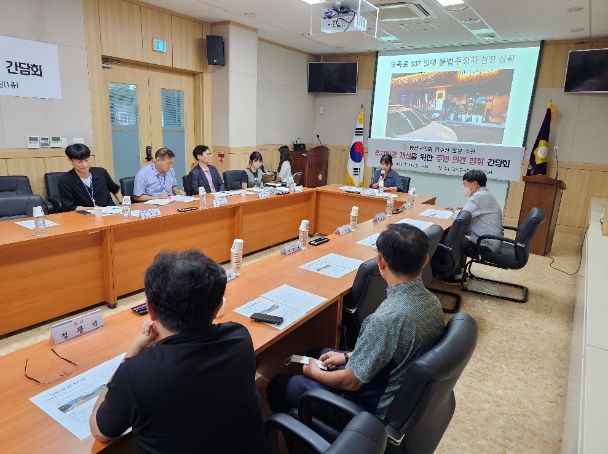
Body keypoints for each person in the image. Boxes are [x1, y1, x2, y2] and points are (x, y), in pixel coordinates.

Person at [89, 249, 266, 454]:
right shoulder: (239, 337)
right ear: (219, 306)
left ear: (150, 310)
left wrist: (133, 351)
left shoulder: (137, 373)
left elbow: (100, 432)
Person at [267, 224, 445, 419]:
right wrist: (346, 357)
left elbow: (350, 382)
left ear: (381, 261)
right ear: (425, 260)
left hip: (371, 408)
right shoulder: (433, 302)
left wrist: (314, 373)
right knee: (316, 353)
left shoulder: (384, 320)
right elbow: (389, 347)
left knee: (279, 385)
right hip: (397, 385)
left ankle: (302, 432)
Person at [442, 169, 504, 284]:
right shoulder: (484, 195)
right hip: (490, 238)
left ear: (475, 184)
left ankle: (453, 274)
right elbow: (467, 212)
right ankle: (458, 271)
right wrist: (461, 211)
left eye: (465, 184)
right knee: (457, 234)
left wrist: (455, 212)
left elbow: (461, 217)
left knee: (452, 239)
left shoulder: (479, 197)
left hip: (486, 242)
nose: (463, 187)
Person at [58, 143, 122, 211]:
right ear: (70, 160)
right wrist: (94, 209)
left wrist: (122, 203)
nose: (85, 165)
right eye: (80, 162)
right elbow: (70, 207)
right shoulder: (65, 180)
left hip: (110, 211)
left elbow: (116, 190)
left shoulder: (101, 172)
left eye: (86, 160)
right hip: (85, 214)